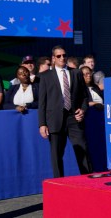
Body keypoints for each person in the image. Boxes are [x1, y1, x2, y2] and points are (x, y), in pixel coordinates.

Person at [38, 45, 92, 177]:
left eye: (64, 55)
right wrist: (42, 124)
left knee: (83, 150)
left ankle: (89, 180)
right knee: (56, 155)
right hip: (55, 119)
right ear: (53, 58)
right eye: (59, 56)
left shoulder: (76, 73)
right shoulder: (45, 76)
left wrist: (83, 110)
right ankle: (59, 182)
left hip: (74, 118)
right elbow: (42, 102)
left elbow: (85, 97)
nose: (62, 58)